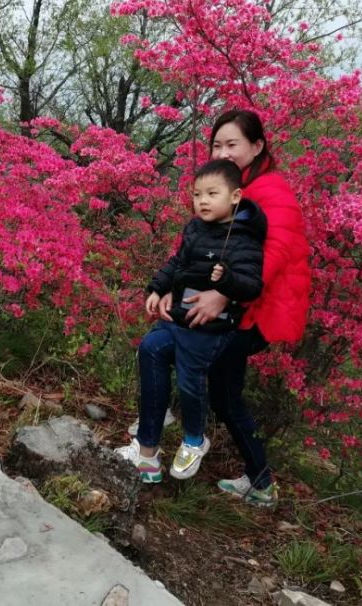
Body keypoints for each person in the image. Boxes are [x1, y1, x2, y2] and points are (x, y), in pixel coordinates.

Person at [180, 109, 311, 507]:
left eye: (232, 144)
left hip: (260, 309)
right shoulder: (233, 186)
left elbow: (277, 252)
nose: (224, 151)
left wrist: (225, 295)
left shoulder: (269, 190)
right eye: (217, 145)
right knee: (223, 392)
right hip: (245, 305)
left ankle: (186, 433)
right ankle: (259, 480)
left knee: (215, 382)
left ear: (257, 146)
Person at [118, 159, 266, 482]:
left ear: (235, 196)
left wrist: (225, 282)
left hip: (210, 329)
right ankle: (147, 455)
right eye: (198, 194)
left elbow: (252, 285)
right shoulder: (196, 228)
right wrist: (158, 287)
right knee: (150, 348)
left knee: (190, 379)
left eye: (213, 193)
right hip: (181, 320)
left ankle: (195, 439)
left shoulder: (243, 237)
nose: (203, 201)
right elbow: (178, 262)